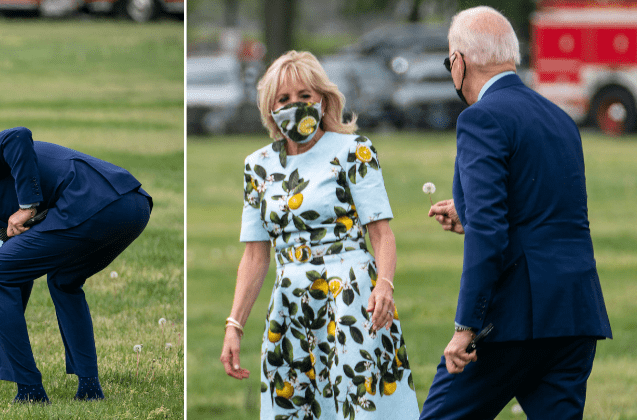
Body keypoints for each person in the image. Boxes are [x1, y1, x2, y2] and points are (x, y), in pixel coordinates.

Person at [420, 7, 612, 419]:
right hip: (575, 311)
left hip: (513, 318)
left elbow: (490, 232)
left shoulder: (480, 118)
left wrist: (466, 327)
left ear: (459, 63)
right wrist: (468, 214)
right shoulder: (561, 120)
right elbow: (545, 209)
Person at [220, 51, 419, 419]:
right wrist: (235, 326)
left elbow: (381, 233)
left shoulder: (353, 150)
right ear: (270, 109)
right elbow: (254, 256)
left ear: (323, 99)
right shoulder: (257, 166)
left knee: (359, 406)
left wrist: (385, 285)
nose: (295, 105)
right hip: (289, 305)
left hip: (352, 299)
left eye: (305, 96)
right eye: (284, 99)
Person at [0, 127, 153, 403]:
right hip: (131, 205)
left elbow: (18, 137)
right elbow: (17, 280)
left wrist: (27, 204)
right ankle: (89, 388)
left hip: (97, 202)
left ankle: (30, 391)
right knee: (64, 281)